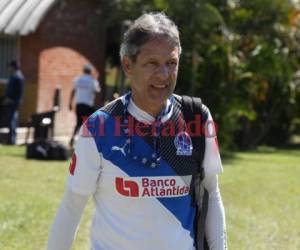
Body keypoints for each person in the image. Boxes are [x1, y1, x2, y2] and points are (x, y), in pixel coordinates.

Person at [48, 12, 227, 250]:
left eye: (171, 63)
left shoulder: (196, 116)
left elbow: (211, 194)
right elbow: (72, 206)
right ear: (128, 66)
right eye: (152, 63)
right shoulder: (99, 128)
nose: (163, 75)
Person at [68, 64, 100, 146]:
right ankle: (87, 143)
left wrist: (70, 103)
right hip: (88, 105)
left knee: (78, 122)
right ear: (90, 71)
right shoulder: (93, 81)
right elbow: (97, 92)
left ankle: (72, 138)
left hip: (79, 105)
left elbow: (73, 91)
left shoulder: (78, 79)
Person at [1, 60, 25, 144]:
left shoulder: (18, 77)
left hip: (13, 103)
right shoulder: (14, 76)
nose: (9, 68)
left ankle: (12, 141)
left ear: (13, 67)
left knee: (12, 121)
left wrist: (11, 100)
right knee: (10, 121)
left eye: (10, 66)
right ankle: (10, 140)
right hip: (10, 101)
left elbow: (18, 92)